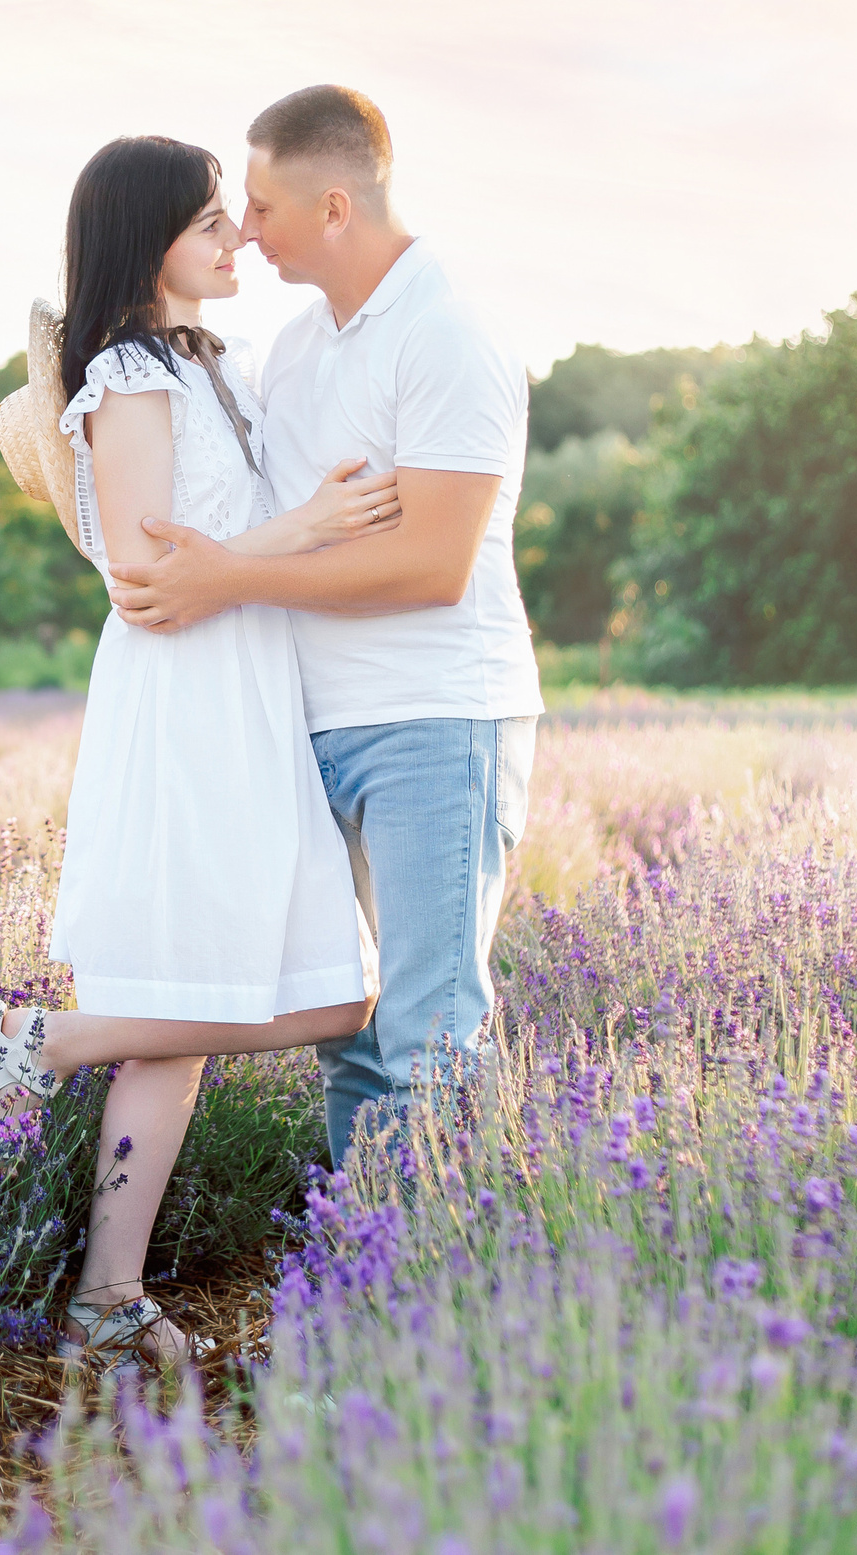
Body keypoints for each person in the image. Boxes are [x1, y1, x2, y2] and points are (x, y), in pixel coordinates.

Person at [0, 133, 402, 1366]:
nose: (234, 236)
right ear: (145, 239)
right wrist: (307, 526)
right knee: (282, 998)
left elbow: (219, 548)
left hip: (247, 686)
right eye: (208, 220)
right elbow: (147, 579)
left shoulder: (210, 366)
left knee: (191, 1008)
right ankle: (41, 1049)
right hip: (188, 700)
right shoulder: (125, 379)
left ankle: (103, 1289)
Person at [103, 86, 541, 1169]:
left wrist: (229, 581)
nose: (246, 230)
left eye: (261, 207)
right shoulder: (294, 348)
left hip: (434, 718)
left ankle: (439, 1260)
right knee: (353, 1038)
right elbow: (237, 509)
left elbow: (433, 565)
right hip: (312, 726)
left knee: (428, 1034)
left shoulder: (448, 332)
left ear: (334, 207)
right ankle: (364, 1254)